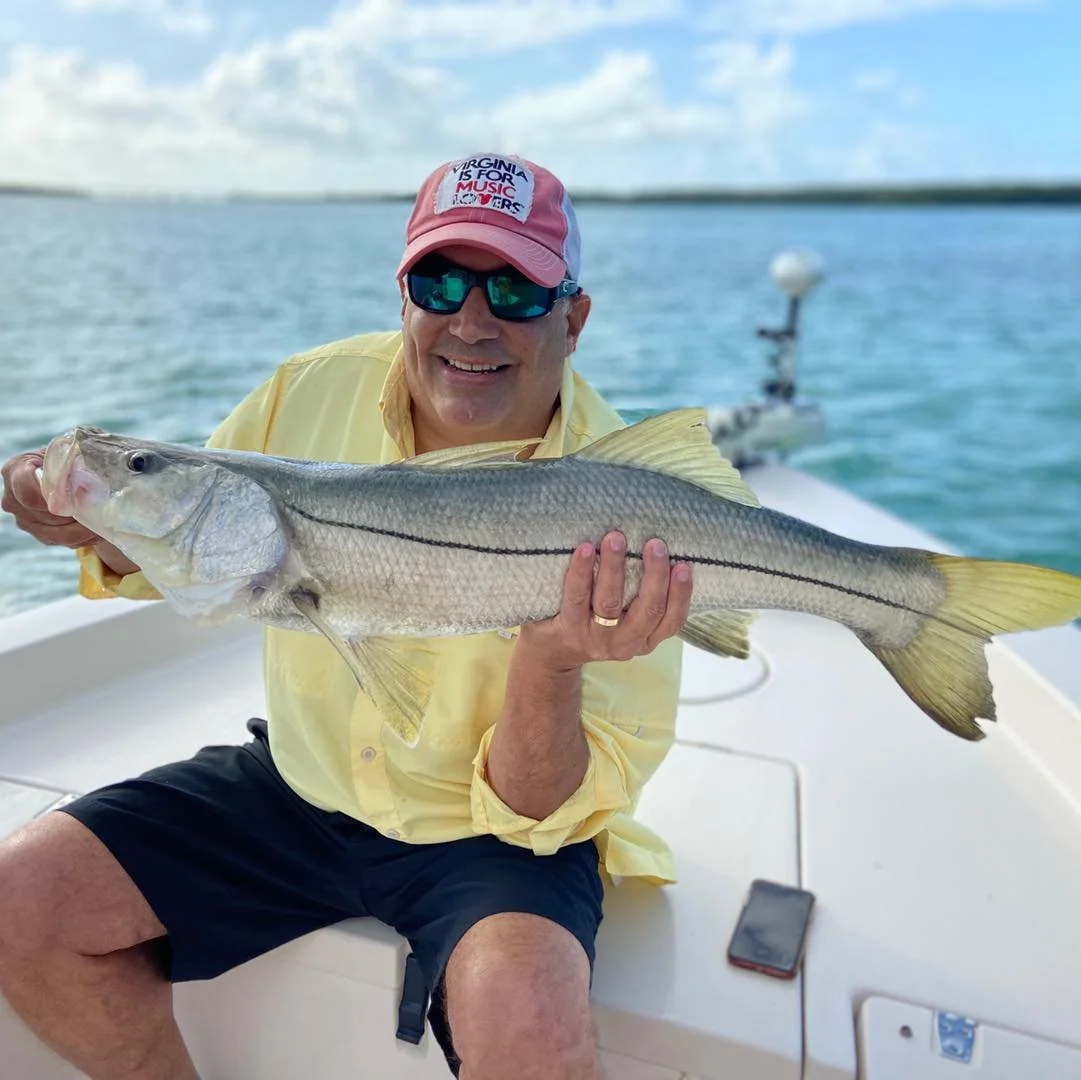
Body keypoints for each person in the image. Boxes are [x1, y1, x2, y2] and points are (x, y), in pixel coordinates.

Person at [0, 153, 691, 1080]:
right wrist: (90, 514)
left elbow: (541, 808)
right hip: (302, 783)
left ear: (574, 318)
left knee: (530, 1031)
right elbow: (207, 536)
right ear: (403, 294)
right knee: (21, 903)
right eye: (439, 281)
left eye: (515, 292)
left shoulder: (636, 506)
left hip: (492, 834)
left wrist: (553, 658)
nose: (470, 320)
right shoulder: (307, 391)